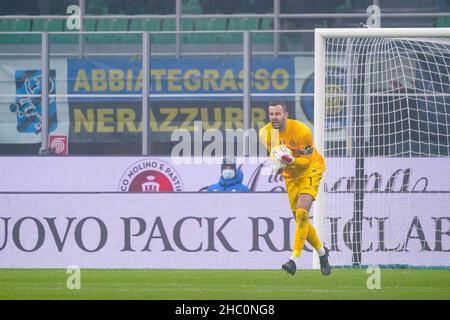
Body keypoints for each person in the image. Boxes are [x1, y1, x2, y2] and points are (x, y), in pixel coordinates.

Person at [259, 101, 331, 276]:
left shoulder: (302, 131)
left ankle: (293, 260)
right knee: (301, 220)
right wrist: (279, 162)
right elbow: (276, 159)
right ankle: (322, 253)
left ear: (286, 114)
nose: (274, 118)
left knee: (301, 213)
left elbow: (306, 161)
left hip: (311, 169)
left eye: (277, 114)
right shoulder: (265, 133)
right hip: (291, 177)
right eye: (271, 114)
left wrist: (290, 160)